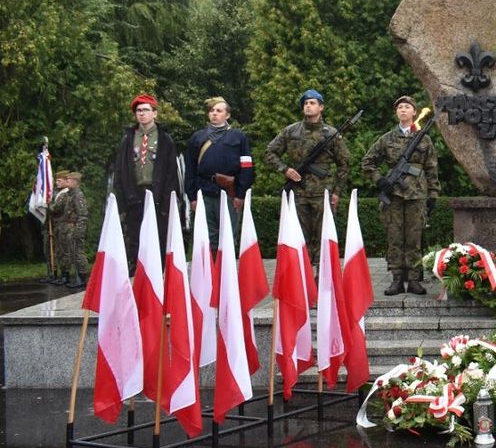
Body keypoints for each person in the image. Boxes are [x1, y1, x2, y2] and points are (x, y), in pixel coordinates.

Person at [362, 95, 440, 296]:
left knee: (414, 237)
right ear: (396, 113)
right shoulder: (387, 139)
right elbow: (367, 162)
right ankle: (396, 279)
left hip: (417, 195)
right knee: (394, 237)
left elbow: (431, 168)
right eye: (400, 107)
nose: (403, 110)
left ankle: (414, 279)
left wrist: (433, 194)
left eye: (407, 107)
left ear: (414, 112)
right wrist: (380, 180)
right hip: (394, 195)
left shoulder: (424, 138)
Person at [265, 89, 350, 261]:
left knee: (323, 237)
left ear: (321, 107)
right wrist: (285, 169)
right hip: (298, 193)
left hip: (322, 193)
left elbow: (344, 164)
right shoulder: (291, 131)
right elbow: (269, 152)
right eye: (305, 103)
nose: (308, 106)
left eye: (312, 103)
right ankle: (302, 279)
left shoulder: (331, 133)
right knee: (298, 237)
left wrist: (337, 192)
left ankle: (322, 278)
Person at [111, 94, 181, 268]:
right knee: (135, 237)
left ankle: (158, 274)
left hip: (157, 196)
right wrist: (123, 198)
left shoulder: (165, 139)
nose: (142, 114)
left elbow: (171, 173)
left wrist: (167, 203)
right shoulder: (128, 139)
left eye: (146, 110)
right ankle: (136, 272)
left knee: (158, 236)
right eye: (138, 111)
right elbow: (120, 171)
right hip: (134, 196)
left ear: (155, 113)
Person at [185, 96, 254, 251]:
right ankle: (211, 273)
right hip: (205, 192)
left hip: (230, 192)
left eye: (219, 110)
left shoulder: (239, 137)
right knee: (208, 238)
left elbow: (247, 167)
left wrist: (240, 194)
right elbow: (190, 168)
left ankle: (227, 274)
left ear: (227, 115)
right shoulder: (198, 137)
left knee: (229, 235)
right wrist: (192, 196)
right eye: (211, 111)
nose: (214, 113)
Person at [49, 170, 88, 289]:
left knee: (78, 253)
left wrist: (79, 231)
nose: (67, 181)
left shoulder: (78, 195)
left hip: (74, 228)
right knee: (69, 253)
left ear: (76, 182)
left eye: (69, 180)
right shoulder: (69, 194)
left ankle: (82, 278)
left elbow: (83, 215)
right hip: (67, 228)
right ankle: (74, 277)